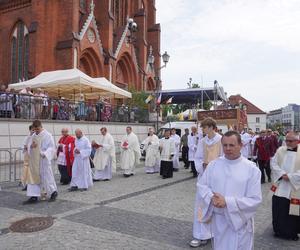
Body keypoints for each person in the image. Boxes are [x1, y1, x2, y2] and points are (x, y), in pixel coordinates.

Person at [197, 131, 262, 250]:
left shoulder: (252, 169)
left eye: (231, 145)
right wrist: (211, 197)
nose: (227, 148)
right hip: (219, 222)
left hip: (240, 223)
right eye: (225, 145)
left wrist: (227, 202)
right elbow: (202, 186)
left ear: (241, 145)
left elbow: (255, 199)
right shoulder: (214, 165)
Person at [190, 117, 222, 247]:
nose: (202, 129)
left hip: (217, 178)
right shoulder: (202, 141)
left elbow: (224, 158)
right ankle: (199, 234)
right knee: (201, 205)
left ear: (211, 127)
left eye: (204, 127)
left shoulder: (221, 140)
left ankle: (213, 233)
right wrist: (201, 167)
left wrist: (214, 168)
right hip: (203, 177)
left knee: (214, 205)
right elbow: (197, 157)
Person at [270, 131, 300, 240]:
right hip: (281, 185)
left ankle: (291, 232)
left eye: (290, 141)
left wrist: (291, 177)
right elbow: (273, 163)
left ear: (297, 141)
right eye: (286, 140)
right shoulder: (280, 150)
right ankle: (278, 230)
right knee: (279, 208)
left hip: (295, 187)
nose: (287, 143)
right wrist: (282, 174)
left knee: (292, 211)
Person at [23, 120, 57, 204]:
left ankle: (53, 192)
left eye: (37, 129)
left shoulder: (47, 135)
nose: (36, 131)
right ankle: (33, 196)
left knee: (47, 177)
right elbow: (27, 145)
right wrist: (30, 146)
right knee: (33, 177)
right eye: (35, 129)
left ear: (41, 126)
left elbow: (52, 147)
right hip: (34, 161)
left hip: (43, 160)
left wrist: (45, 153)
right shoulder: (33, 135)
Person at [20, 125, 35, 191]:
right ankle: (26, 185)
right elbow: (22, 145)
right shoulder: (27, 137)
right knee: (26, 172)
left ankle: (32, 185)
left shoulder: (37, 137)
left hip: (34, 158)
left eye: (34, 130)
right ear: (30, 130)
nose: (33, 131)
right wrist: (25, 147)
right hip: (27, 158)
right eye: (32, 130)